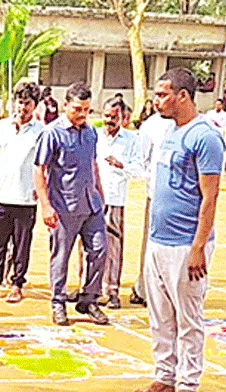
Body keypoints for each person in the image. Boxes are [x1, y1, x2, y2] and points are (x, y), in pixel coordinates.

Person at [133, 68, 224, 392]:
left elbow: (210, 196)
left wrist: (198, 246)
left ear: (183, 96)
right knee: (159, 314)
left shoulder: (206, 137)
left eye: (163, 94)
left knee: (188, 315)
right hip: (158, 239)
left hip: (186, 243)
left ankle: (188, 380)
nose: (157, 101)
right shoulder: (169, 131)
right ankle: (165, 374)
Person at [34, 81, 109, 327]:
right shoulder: (51, 133)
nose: (82, 115)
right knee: (61, 256)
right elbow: (39, 169)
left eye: (87, 110)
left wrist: (100, 192)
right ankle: (58, 302)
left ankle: (89, 299)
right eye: (77, 109)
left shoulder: (90, 132)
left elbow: (93, 163)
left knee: (99, 250)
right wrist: (46, 205)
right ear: (65, 105)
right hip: (64, 205)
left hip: (91, 204)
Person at [0, 82, 43, 303]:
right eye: (20, 102)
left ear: (35, 106)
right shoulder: (2, 127)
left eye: (27, 104)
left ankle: (16, 284)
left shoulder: (41, 132)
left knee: (21, 246)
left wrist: (41, 192)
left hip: (25, 199)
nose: (22, 108)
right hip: (0, 197)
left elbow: (45, 166)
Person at [94, 99, 142, 308]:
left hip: (114, 199)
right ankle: (89, 289)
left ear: (123, 118)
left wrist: (121, 165)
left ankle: (112, 290)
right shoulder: (93, 136)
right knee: (89, 246)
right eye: (106, 116)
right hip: (93, 198)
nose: (109, 121)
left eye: (114, 117)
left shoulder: (132, 139)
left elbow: (139, 170)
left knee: (113, 246)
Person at [130, 99, 176, 307]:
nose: (158, 101)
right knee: (151, 245)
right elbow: (143, 160)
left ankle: (170, 290)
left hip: (182, 198)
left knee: (177, 249)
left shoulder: (193, 126)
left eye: (164, 95)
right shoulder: (151, 126)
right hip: (156, 195)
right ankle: (145, 288)